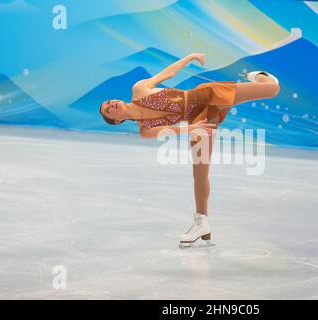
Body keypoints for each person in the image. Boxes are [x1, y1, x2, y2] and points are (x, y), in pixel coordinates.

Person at [99, 53, 280, 248]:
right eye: (109, 110)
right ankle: (202, 222)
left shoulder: (139, 89)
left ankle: (260, 76)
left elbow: (169, 72)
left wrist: (191, 57)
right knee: (200, 170)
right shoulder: (145, 129)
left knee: (272, 89)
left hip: (206, 94)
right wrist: (194, 128)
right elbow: (173, 130)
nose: (112, 104)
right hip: (198, 119)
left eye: (109, 102)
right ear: (117, 121)